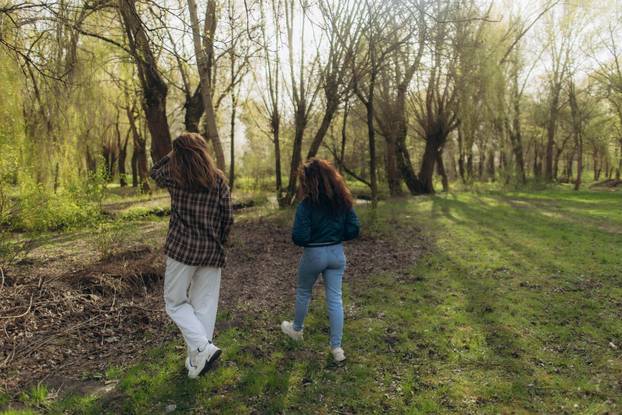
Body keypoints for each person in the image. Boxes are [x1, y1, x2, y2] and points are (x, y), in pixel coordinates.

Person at [150, 132, 233, 379]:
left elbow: (154, 171)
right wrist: (219, 240)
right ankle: (198, 359)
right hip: (210, 251)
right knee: (204, 307)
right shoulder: (218, 180)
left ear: (179, 154)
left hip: (182, 251)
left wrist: (174, 152)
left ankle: (201, 351)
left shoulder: (174, 176)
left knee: (174, 302)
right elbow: (228, 218)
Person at [281, 158, 360, 362]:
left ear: (307, 181)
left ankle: (296, 329)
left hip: (314, 254)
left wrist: (314, 237)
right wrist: (335, 235)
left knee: (304, 292)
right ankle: (337, 349)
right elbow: (354, 229)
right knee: (335, 298)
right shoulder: (342, 201)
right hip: (336, 254)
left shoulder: (306, 206)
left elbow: (299, 237)